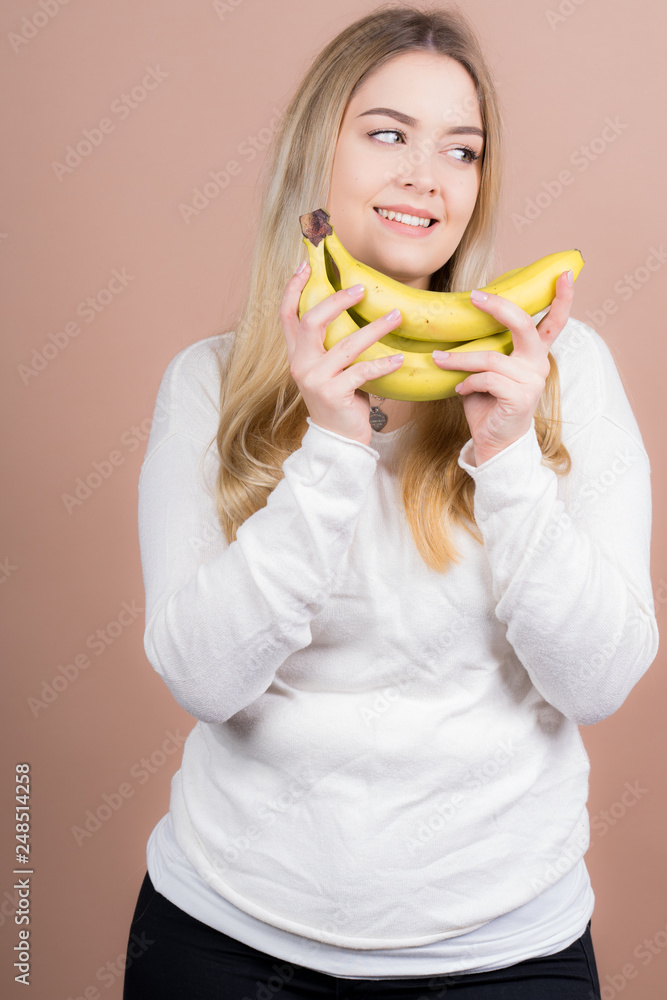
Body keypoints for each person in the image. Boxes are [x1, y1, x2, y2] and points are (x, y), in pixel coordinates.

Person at [122, 4, 658, 997]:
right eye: (386, 134)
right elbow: (201, 675)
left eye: (461, 149)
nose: (425, 173)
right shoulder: (207, 383)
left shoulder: (563, 374)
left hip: (506, 958)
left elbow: (598, 681)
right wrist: (329, 448)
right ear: (312, 160)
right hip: (228, 944)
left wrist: (507, 462)